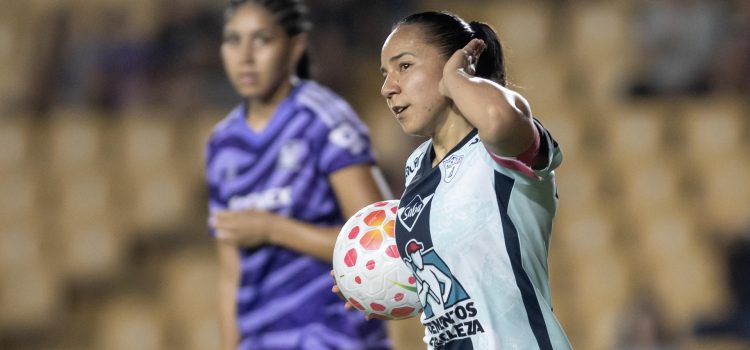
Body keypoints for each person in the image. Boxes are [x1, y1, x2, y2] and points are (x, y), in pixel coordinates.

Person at [205, 1, 392, 349]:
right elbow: (231, 276)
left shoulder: (325, 120)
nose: (245, 56)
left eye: (261, 40)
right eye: (233, 40)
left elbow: (378, 246)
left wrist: (273, 229)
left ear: (294, 48)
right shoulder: (221, 144)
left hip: (336, 336)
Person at [379, 11, 571, 349]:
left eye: (404, 67)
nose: (387, 88)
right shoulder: (416, 166)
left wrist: (456, 77)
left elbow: (497, 119)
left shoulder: (501, 146)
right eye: (385, 73)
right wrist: (376, 283)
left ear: (458, 60)